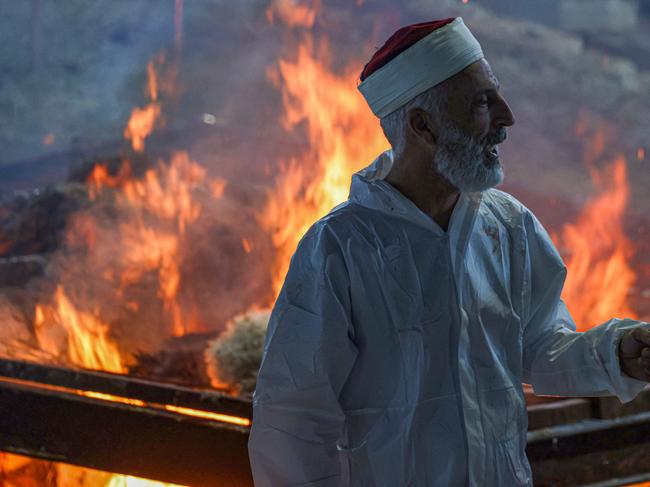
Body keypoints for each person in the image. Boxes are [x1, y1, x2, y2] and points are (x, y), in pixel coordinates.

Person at [248, 17, 650, 486]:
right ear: (423, 125)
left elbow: (538, 348)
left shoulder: (509, 227)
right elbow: (292, 424)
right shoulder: (339, 248)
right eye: (481, 102)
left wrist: (618, 354)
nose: (506, 118)